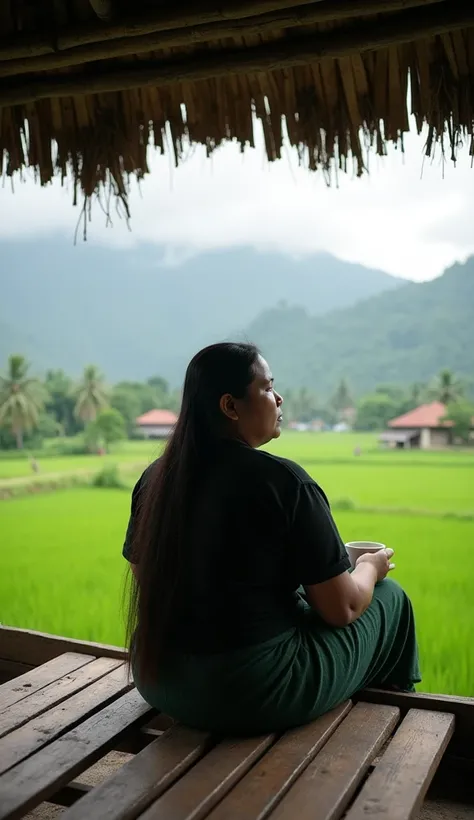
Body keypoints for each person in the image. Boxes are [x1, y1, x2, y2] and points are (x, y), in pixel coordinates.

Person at [123, 342, 420, 735]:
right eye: (266, 388)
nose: (279, 398)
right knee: (391, 597)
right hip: (251, 693)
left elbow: (150, 580)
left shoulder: (157, 478)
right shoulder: (286, 482)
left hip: (160, 680)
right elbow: (342, 609)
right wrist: (368, 567)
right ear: (230, 406)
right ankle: (389, 729)